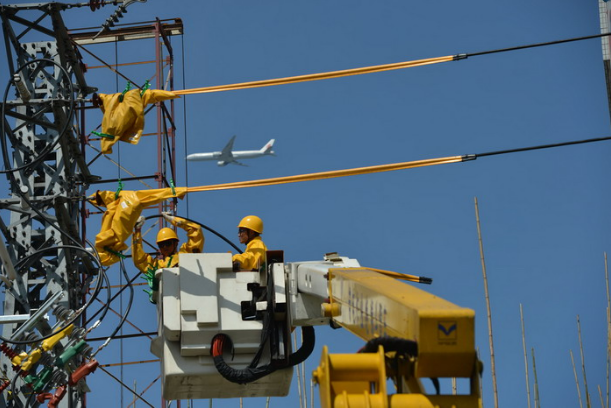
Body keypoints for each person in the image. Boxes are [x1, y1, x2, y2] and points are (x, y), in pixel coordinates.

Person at [132, 212, 204, 273]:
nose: (165, 247)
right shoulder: (157, 266)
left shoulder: (186, 254)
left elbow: (196, 231)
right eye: (161, 245)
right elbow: (139, 260)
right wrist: (137, 231)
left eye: (168, 243)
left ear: (175, 243)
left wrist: (174, 220)